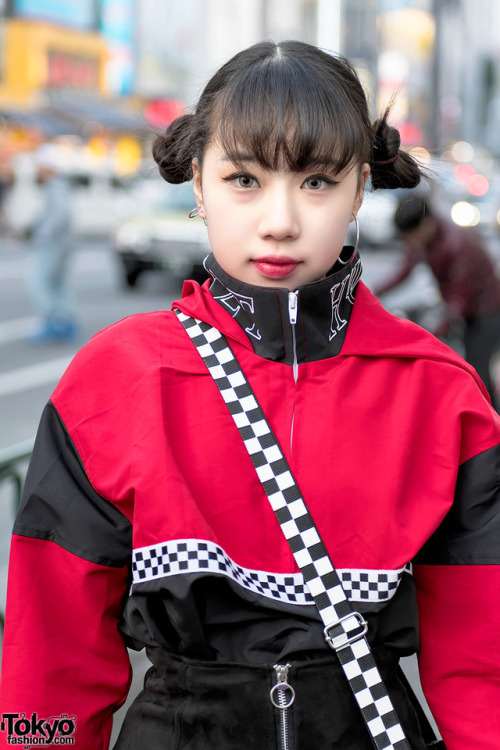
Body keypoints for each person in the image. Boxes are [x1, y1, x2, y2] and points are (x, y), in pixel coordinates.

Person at [1, 40, 499, 750]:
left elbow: (487, 665)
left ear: (361, 187)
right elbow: (50, 658)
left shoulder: (442, 393)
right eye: (244, 179)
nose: (280, 220)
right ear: (198, 185)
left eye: (317, 182)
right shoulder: (115, 379)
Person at [375, 195, 500, 406]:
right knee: (468, 364)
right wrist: (374, 293)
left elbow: (460, 298)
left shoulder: (457, 244)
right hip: (467, 308)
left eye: (412, 236)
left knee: (477, 369)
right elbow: (405, 270)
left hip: (488, 310)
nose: (410, 242)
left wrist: (436, 331)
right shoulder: (424, 237)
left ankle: (492, 428)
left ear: (425, 224)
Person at [26, 143, 78, 342]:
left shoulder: (55, 186)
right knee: (58, 283)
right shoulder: (59, 185)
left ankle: (51, 322)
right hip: (62, 242)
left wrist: (42, 235)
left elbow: (59, 216)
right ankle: (65, 321)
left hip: (53, 243)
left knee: (37, 282)